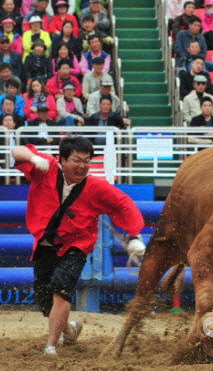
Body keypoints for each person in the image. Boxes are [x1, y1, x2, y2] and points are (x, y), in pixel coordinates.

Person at [12, 136, 145, 356]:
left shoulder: (96, 187)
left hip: (77, 245)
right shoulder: (46, 169)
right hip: (45, 244)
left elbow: (124, 204)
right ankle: (69, 329)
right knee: (45, 299)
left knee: (61, 290)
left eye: (87, 160)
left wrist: (134, 236)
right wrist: (34, 158)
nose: (82, 165)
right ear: (62, 160)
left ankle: (51, 346)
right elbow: (17, 151)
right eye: (76, 160)